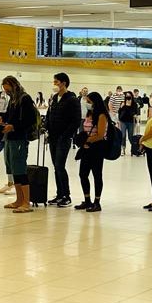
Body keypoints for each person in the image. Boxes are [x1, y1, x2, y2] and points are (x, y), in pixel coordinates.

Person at [0, 75, 36, 213]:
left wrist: (13, 127)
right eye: (5, 91)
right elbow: (9, 116)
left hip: (19, 138)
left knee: (20, 169)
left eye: (8, 89)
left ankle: (26, 202)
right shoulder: (13, 99)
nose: (7, 92)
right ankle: (19, 200)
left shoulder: (24, 99)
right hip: (10, 138)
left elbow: (29, 120)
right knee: (13, 170)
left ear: (14, 85)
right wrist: (2, 119)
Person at [46, 73, 80, 207]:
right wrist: (47, 128)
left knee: (60, 166)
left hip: (63, 138)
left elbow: (76, 121)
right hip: (53, 137)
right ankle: (60, 194)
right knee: (56, 167)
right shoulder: (55, 98)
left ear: (64, 83)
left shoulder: (72, 100)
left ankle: (67, 195)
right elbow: (50, 114)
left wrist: (66, 135)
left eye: (56, 82)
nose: (54, 84)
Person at [75, 92, 110, 212]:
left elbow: (100, 135)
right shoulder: (89, 114)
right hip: (86, 148)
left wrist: (86, 140)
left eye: (89, 101)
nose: (87, 104)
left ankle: (97, 202)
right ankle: (87, 200)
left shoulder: (101, 115)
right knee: (83, 174)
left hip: (97, 148)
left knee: (97, 175)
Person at [0, 90, 13, 195]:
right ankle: (10, 182)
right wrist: (2, 118)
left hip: (16, 137)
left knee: (14, 162)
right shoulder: (10, 101)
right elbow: (8, 114)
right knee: (8, 160)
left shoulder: (22, 100)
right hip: (8, 134)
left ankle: (15, 183)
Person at [119, 91, 141, 156]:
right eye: (126, 96)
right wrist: (122, 107)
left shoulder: (134, 104)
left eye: (129, 96)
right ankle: (123, 149)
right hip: (123, 121)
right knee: (123, 135)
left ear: (131, 96)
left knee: (130, 136)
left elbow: (135, 112)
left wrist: (134, 114)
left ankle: (134, 149)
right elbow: (120, 112)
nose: (128, 97)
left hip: (131, 122)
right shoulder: (123, 103)